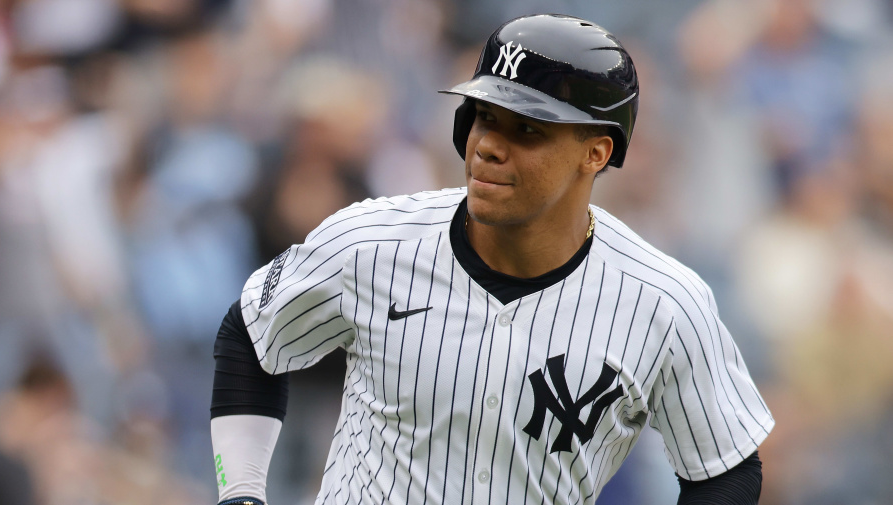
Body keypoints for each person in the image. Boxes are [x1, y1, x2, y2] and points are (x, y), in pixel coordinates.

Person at [210, 14, 773, 505]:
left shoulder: (664, 303)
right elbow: (250, 333)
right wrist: (241, 492)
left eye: (525, 128)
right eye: (483, 116)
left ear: (596, 152)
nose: (486, 144)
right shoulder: (370, 241)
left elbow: (726, 470)